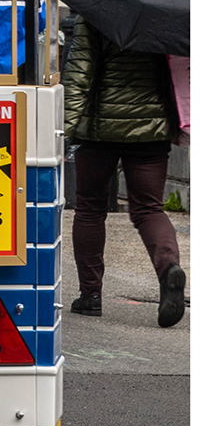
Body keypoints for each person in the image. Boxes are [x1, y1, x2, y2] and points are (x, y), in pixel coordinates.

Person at [65, 21, 184, 326]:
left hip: (98, 129)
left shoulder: (96, 8)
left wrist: (62, 131)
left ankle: (90, 296)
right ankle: (169, 269)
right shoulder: (166, 8)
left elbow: (80, 73)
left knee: (90, 209)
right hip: (152, 126)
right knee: (149, 209)